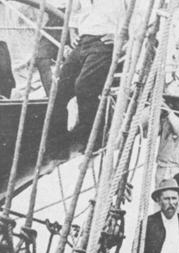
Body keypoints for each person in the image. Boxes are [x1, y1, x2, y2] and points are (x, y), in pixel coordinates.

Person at [50, 0, 127, 149]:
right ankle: (58, 142)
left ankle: (93, 140)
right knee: (61, 88)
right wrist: (73, 33)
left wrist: (121, 36)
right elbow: (74, 10)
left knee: (84, 87)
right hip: (83, 41)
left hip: (104, 42)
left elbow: (137, 17)